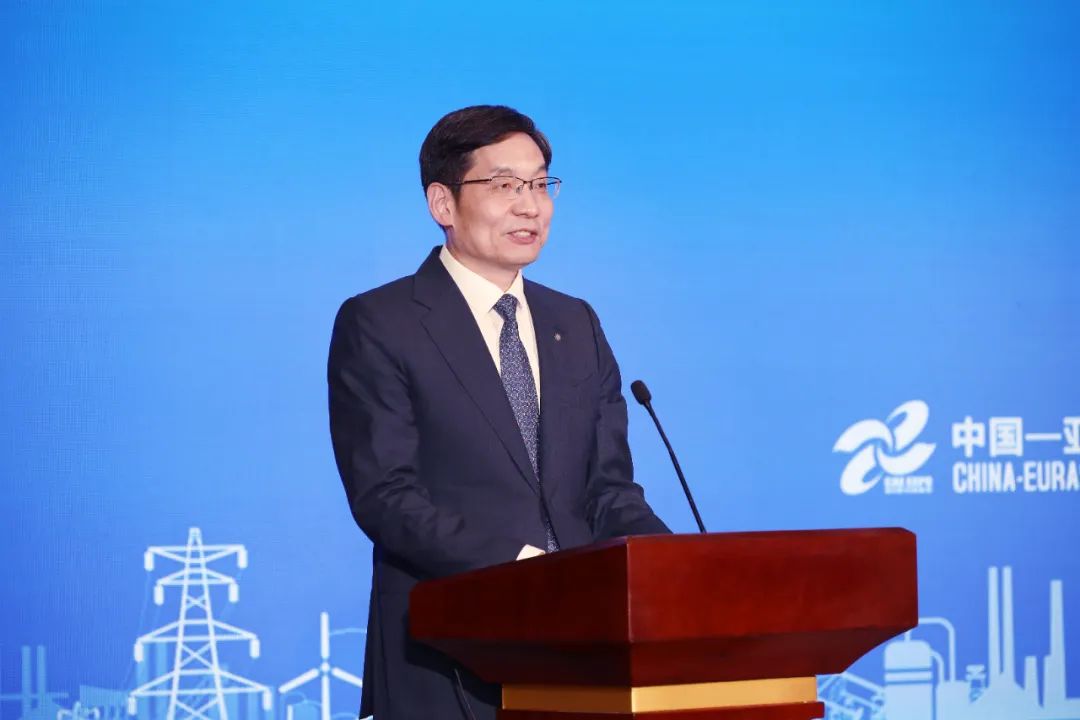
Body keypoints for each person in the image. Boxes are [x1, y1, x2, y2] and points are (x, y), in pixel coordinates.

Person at [327, 105, 669, 719]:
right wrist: (525, 569)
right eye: (506, 185)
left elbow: (609, 491)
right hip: (447, 657)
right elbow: (386, 496)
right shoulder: (381, 322)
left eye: (540, 184)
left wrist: (671, 569)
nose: (530, 206)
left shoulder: (575, 322)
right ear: (443, 202)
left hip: (584, 654)